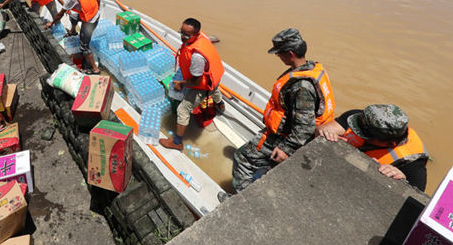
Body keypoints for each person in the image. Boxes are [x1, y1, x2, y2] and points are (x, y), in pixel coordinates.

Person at [231, 28, 336, 192]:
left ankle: (237, 198)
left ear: (291, 53)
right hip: (292, 132)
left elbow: (305, 126)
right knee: (269, 171)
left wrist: (285, 149)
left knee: (242, 158)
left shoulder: (302, 87)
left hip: (285, 137)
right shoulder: (312, 68)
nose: (278, 56)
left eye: (279, 53)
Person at [316, 104, 429, 191]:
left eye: (366, 135)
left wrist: (401, 181)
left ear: (390, 143)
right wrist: (324, 133)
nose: (357, 131)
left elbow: (413, 201)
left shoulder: (414, 167)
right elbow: (319, 130)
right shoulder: (362, 119)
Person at [159, 18, 227, 151]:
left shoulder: (196, 57)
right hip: (214, 76)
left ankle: (177, 142)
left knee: (183, 110)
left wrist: (181, 83)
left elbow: (196, 81)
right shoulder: (203, 37)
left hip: (202, 83)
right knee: (213, 88)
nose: (182, 37)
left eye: (186, 35)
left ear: (195, 34)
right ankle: (220, 104)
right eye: (181, 32)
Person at [44, 0, 101, 74]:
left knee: (84, 47)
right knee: (73, 16)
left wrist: (51, 23)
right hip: (95, 15)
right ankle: (72, 31)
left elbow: (60, 14)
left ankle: (95, 69)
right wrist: (96, 10)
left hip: (90, 21)